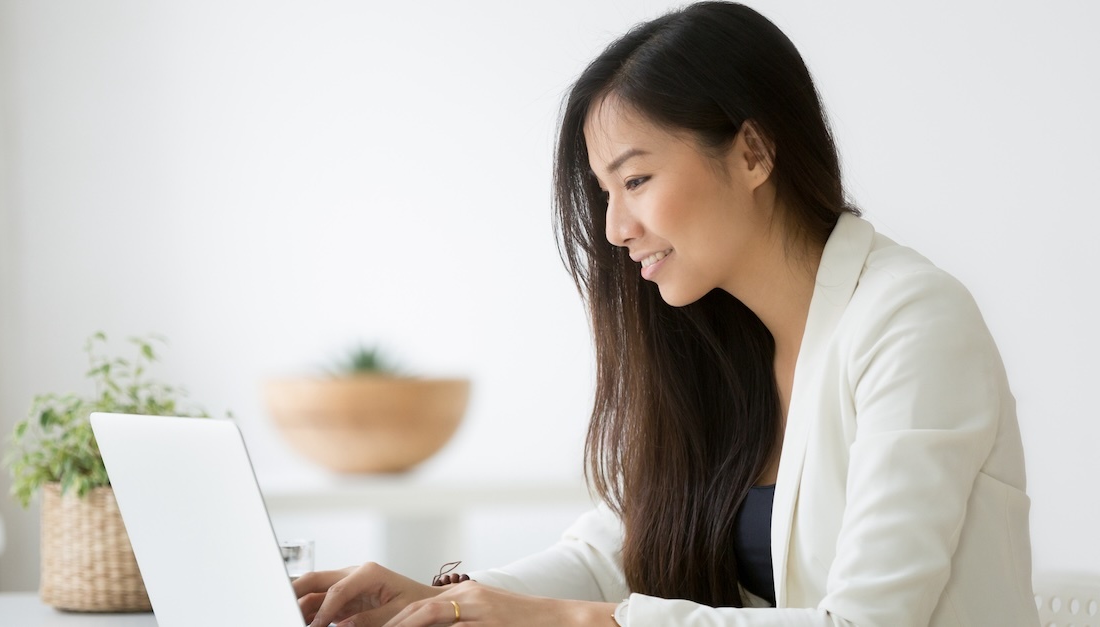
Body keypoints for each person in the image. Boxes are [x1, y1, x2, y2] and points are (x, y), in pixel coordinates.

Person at [293, 2, 1038, 625]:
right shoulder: (722, 345)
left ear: (752, 152)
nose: (615, 227)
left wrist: (580, 620)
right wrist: (438, 600)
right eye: (605, 191)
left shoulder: (913, 322)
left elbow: (866, 622)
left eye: (637, 178)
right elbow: (610, 552)